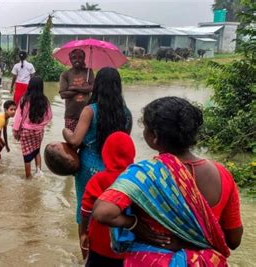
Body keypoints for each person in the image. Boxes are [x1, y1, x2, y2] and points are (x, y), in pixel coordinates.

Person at [93, 97, 243, 266]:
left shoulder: (144, 174)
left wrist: (134, 224)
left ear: (155, 136)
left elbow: (102, 212)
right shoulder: (223, 175)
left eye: (146, 129)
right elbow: (234, 240)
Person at [62, 67, 132, 252]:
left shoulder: (90, 110)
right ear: (118, 87)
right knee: (112, 210)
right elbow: (124, 146)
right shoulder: (126, 113)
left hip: (89, 169)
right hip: (117, 172)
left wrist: (66, 132)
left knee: (85, 211)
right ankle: (110, 250)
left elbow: (75, 140)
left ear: (97, 86)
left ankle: (85, 254)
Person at [79, 131, 135, 266]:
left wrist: (83, 233)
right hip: (128, 247)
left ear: (105, 153)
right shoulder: (136, 179)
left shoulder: (98, 179)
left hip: (99, 245)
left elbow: (85, 210)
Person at [12, 77, 53, 178]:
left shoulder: (24, 99)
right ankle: (38, 172)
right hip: (39, 131)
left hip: (26, 131)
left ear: (29, 85)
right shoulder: (45, 100)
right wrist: (41, 125)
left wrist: (15, 130)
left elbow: (18, 116)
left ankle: (28, 177)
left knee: (27, 155)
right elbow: (49, 116)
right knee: (36, 151)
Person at [59, 49, 94, 132]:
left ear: (84, 59)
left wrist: (74, 88)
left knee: (85, 142)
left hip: (87, 115)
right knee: (71, 142)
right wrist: (84, 89)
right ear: (70, 59)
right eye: (74, 57)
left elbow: (94, 88)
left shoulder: (88, 72)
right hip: (71, 116)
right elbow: (63, 94)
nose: (77, 60)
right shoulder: (65, 75)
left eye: (80, 57)